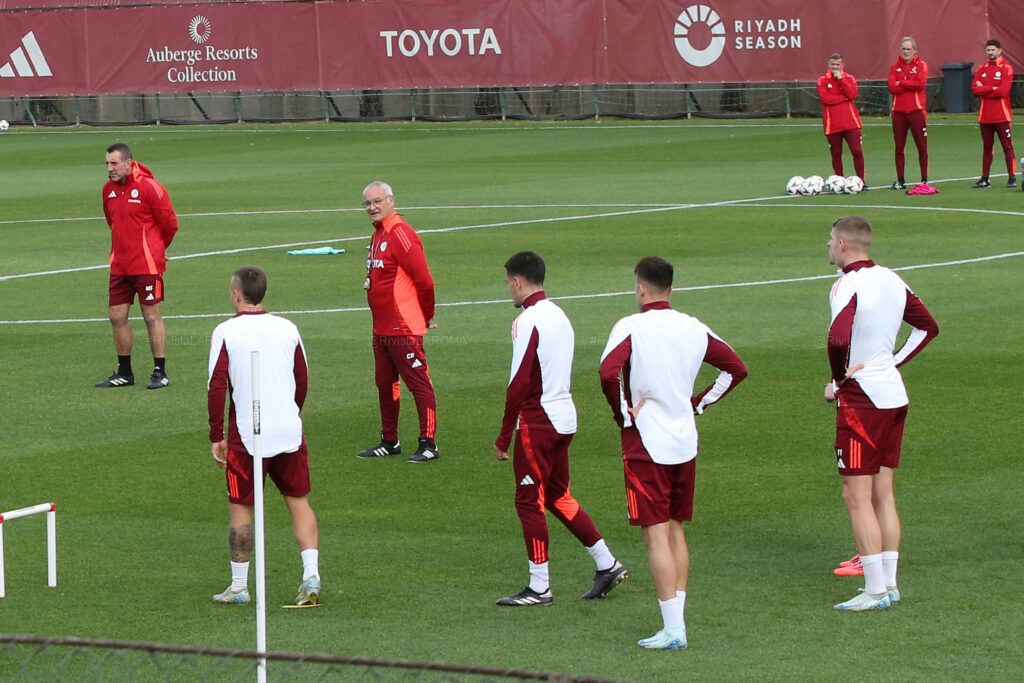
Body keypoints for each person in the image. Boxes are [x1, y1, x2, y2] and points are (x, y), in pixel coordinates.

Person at [599, 257, 747, 650]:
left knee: (655, 536)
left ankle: (673, 629)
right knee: (676, 529)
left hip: (647, 442)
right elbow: (736, 369)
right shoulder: (693, 327)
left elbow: (606, 372)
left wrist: (623, 415)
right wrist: (697, 403)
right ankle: (676, 623)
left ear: (641, 288)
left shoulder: (630, 327)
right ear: (671, 288)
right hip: (684, 439)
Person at [494, 252, 628, 607]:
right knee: (557, 496)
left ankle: (540, 587)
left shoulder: (528, 321)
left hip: (537, 423)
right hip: (564, 417)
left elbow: (519, 381)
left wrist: (504, 434)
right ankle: (607, 563)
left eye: (508, 283)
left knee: (528, 502)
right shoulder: (559, 315)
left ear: (518, 281)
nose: (508, 289)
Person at [824, 216, 939, 611]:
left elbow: (838, 337)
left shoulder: (846, 284)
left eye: (829, 241)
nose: (828, 247)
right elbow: (927, 328)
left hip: (863, 401)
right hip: (893, 396)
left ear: (842, 244)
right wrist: (889, 362)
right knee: (883, 494)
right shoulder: (893, 278)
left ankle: (873, 590)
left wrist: (839, 380)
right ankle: (889, 584)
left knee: (856, 497)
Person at [207, 266, 321, 607]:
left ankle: (239, 586)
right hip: (288, 429)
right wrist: (291, 413)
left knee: (241, 509)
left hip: (246, 435)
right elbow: (302, 377)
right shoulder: (288, 328)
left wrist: (217, 435)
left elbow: (216, 386)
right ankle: (311, 575)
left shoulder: (226, 331)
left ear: (236, 294)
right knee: (298, 501)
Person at [356, 181, 440, 463]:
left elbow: (425, 280)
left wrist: (427, 315)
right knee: (385, 383)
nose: (372, 208)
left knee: (418, 383)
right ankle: (389, 440)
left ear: (391, 200)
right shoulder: (378, 235)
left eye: (377, 201)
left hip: (403, 327)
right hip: (381, 328)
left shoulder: (401, 234)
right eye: (367, 204)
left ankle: (429, 443)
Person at [96, 143, 179, 389]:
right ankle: (124, 372)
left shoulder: (148, 187)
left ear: (128, 163)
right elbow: (112, 222)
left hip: (147, 265)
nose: (109, 169)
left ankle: (160, 371)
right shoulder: (107, 191)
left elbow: (170, 224)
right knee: (116, 315)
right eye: (107, 164)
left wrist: (154, 250)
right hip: (120, 265)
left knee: (151, 315)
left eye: (114, 163)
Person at [887, 37, 934, 192]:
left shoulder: (921, 65)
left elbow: (920, 84)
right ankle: (900, 180)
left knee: (922, 147)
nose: (905, 52)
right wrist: (907, 84)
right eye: (903, 49)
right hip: (899, 112)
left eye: (908, 49)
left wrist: (902, 83)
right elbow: (892, 87)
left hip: (916, 111)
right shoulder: (895, 67)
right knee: (899, 147)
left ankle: (924, 180)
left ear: (914, 50)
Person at [970, 39, 1017, 189]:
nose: (990, 52)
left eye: (993, 50)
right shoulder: (981, 69)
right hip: (985, 117)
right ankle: (985, 179)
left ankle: (1012, 177)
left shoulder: (1007, 68)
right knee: (987, 147)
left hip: (1002, 116)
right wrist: (993, 88)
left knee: (1007, 146)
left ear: (999, 51)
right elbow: (975, 91)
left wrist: (985, 88)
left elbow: (1003, 91)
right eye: (988, 50)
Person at [817, 53, 866, 184]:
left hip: (851, 123)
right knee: (836, 154)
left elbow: (852, 94)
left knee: (857, 151)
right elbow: (826, 99)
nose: (835, 67)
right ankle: (839, 182)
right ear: (828, 64)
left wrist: (841, 80)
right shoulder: (822, 80)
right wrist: (844, 98)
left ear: (842, 65)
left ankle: (861, 181)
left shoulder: (849, 78)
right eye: (832, 64)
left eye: (837, 65)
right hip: (832, 124)